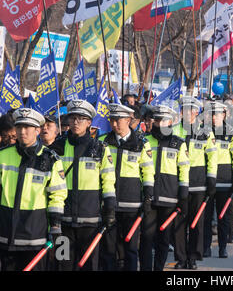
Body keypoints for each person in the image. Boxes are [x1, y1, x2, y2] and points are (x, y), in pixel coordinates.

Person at [50, 100, 116, 271]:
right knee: (62, 264)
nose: (76, 122)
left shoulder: (100, 148)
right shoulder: (57, 147)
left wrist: (109, 209)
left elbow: (108, 181)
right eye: (73, 118)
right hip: (63, 221)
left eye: (81, 118)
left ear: (89, 123)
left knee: (88, 265)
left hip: (90, 221)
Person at [0, 108, 67, 271]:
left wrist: (56, 227)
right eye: (19, 127)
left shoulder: (51, 159)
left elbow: (57, 196)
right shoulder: (3, 155)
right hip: (6, 235)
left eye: (27, 128)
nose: (22, 132)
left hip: (35, 238)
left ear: (37, 130)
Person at [99, 103, 155, 271]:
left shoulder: (141, 143)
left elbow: (147, 171)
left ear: (129, 120)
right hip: (108, 204)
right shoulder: (102, 142)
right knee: (109, 249)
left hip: (132, 204)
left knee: (130, 248)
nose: (114, 124)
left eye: (118, 120)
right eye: (112, 120)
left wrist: (148, 196)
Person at [140, 105, 190, 271]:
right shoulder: (144, 141)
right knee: (146, 237)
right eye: (158, 120)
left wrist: (183, 193)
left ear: (171, 122)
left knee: (163, 238)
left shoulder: (178, 143)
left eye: (164, 120)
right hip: (149, 196)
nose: (161, 123)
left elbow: (184, 168)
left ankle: (159, 268)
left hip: (170, 197)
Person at [173, 97, 218, 270]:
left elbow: (212, 157)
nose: (186, 113)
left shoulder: (206, 132)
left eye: (189, 110)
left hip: (199, 183)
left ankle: (193, 257)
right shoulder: (174, 130)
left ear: (196, 112)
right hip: (178, 184)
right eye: (183, 110)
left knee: (196, 222)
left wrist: (211, 179)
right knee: (179, 223)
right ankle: (181, 257)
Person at [203, 101, 233, 259]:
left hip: (225, 180)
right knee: (206, 218)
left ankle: (222, 247)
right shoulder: (202, 131)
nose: (214, 117)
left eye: (217, 114)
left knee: (223, 217)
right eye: (212, 114)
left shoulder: (232, 133)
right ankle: (206, 247)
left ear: (224, 115)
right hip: (206, 180)